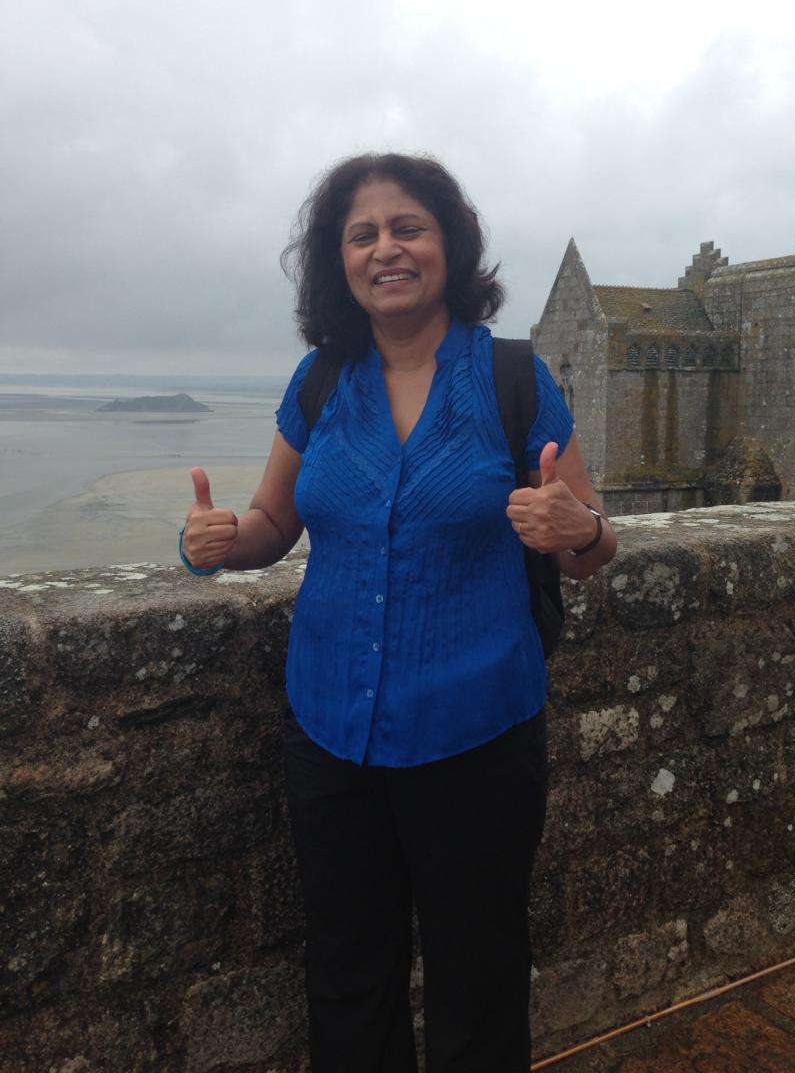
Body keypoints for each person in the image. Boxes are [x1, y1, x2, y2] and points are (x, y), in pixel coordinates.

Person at [179, 153, 618, 1072]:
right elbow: (272, 524)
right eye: (363, 233)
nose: (387, 248)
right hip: (331, 732)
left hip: (477, 735)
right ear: (339, 261)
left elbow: (590, 553)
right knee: (348, 969)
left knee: (479, 974)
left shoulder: (512, 380)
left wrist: (577, 526)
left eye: (407, 227)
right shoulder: (320, 381)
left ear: (448, 246)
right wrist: (213, 542)